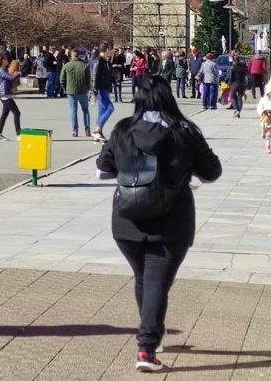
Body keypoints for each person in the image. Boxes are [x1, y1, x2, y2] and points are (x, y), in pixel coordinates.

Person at [95, 76, 221, 372]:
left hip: (127, 221)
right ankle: (146, 349)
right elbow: (212, 172)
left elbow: (103, 170)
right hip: (172, 221)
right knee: (155, 282)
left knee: (145, 279)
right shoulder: (185, 131)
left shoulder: (123, 129)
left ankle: (151, 334)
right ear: (169, 98)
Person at [60, 49, 91, 138]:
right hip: (83, 91)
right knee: (85, 111)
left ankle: (75, 130)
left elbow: (62, 80)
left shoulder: (66, 66)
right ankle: (87, 129)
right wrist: (88, 89)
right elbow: (89, 79)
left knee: (73, 111)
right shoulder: (84, 66)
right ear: (79, 56)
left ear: (71, 55)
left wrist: (65, 89)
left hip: (71, 92)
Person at [90, 43, 115, 143]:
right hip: (100, 89)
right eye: (109, 49)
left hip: (105, 88)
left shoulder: (105, 61)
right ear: (106, 50)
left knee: (102, 111)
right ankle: (97, 130)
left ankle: (98, 134)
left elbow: (105, 75)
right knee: (110, 108)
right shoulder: (98, 61)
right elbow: (94, 77)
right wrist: (93, 92)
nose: (111, 51)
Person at [0, 59, 21, 141]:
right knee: (17, 113)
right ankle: (18, 134)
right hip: (5, 94)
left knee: (4, 115)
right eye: (5, 59)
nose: (6, 60)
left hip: (5, 94)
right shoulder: (1, 70)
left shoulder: (1, 70)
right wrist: (18, 74)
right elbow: (10, 77)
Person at [257, 87, 271, 153]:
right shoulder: (263, 100)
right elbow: (259, 108)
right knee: (268, 134)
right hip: (266, 118)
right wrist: (262, 112)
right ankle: (268, 145)